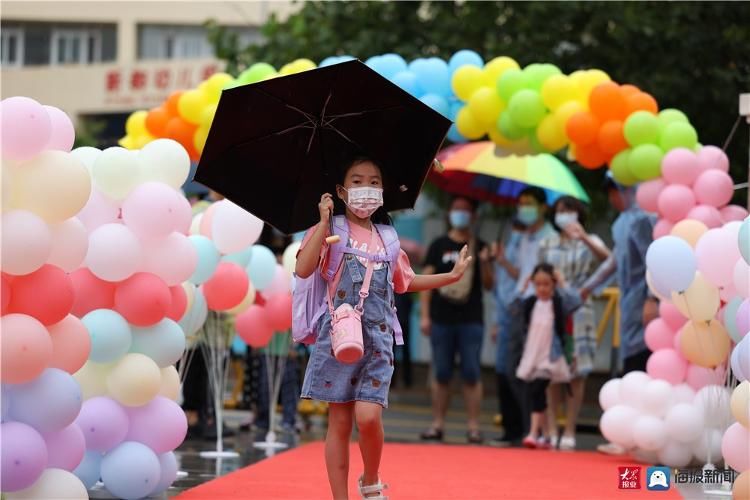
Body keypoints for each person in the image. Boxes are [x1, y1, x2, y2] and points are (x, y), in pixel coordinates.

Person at [295, 157, 473, 500]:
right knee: (340, 423)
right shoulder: (329, 230)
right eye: (358, 181)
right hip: (338, 337)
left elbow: (404, 281)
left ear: (383, 190)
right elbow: (303, 269)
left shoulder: (388, 238)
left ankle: (371, 478)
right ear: (342, 190)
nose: (367, 189)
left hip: (378, 340)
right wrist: (321, 222)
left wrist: (450, 276)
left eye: (374, 182)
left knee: (368, 416)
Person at [579, 174, 657, 455]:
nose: (612, 198)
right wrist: (587, 287)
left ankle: (638, 435)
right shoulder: (621, 223)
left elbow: (653, 259)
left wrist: (652, 297)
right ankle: (627, 433)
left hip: (644, 305)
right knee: (630, 362)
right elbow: (615, 260)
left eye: (615, 191)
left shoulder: (643, 220)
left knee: (640, 364)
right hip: (629, 303)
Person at [419, 196, 494, 444]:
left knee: (472, 373)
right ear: (449, 212)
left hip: (471, 319)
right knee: (441, 373)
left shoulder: (480, 246)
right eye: (456, 209)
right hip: (441, 319)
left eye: (465, 210)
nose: (460, 213)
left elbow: (488, 285)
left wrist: (484, 263)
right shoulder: (438, 245)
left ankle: (473, 426)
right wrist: (426, 316)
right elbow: (426, 282)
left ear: (473, 216)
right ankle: (437, 424)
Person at [538, 196, 610, 450]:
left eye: (568, 210)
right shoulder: (547, 243)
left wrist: (584, 238)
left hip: (580, 310)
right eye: (559, 211)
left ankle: (569, 429)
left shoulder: (590, 241)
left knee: (577, 373)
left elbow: (608, 260)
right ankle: (551, 429)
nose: (563, 215)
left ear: (578, 214)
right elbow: (539, 275)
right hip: (552, 310)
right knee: (552, 372)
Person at [492, 187, 555, 442]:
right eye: (521, 204)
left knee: (522, 368)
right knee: (510, 367)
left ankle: (531, 428)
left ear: (543, 207)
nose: (523, 208)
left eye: (529, 204)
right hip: (517, 304)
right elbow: (522, 274)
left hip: (532, 306)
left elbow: (542, 278)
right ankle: (518, 428)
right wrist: (503, 261)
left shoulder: (548, 238)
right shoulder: (525, 237)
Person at [510, 263, 578, 449]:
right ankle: (546, 435)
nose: (542, 289)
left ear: (553, 284)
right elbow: (513, 308)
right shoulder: (531, 303)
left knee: (536, 390)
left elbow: (575, 302)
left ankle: (533, 432)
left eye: (546, 284)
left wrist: (563, 284)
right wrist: (522, 288)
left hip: (549, 355)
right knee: (537, 392)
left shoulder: (557, 303)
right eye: (537, 284)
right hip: (532, 352)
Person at [489, 219, 526, 446]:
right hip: (504, 316)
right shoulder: (509, 243)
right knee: (503, 370)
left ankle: (519, 428)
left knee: (513, 371)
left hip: (517, 314)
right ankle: (510, 428)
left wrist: (503, 261)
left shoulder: (529, 244)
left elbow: (522, 277)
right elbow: (498, 288)